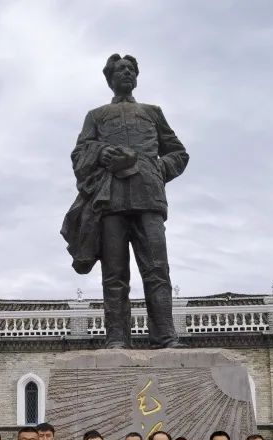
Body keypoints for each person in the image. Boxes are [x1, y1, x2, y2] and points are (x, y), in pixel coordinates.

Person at [64, 53, 189, 349]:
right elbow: (78, 155)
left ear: (136, 76)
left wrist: (160, 168)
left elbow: (179, 153)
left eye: (131, 69)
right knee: (114, 274)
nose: (126, 73)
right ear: (110, 78)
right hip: (111, 201)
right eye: (120, 70)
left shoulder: (153, 112)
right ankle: (117, 338)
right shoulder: (96, 116)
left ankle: (165, 336)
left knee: (157, 269)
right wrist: (100, 153)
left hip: (149, 198)